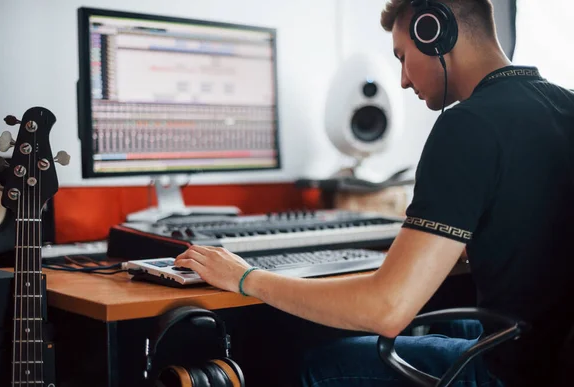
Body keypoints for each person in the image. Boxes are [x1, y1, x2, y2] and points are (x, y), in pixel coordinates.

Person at [175, 0, 574, 385]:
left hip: (509, 374)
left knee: (318, 362)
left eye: (402, 56)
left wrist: (247, 277)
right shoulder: (564, 105)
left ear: (433, 30)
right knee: (451, 320)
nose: (402, 79)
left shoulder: (468, 125)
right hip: (550, 356)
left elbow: (387, 310)